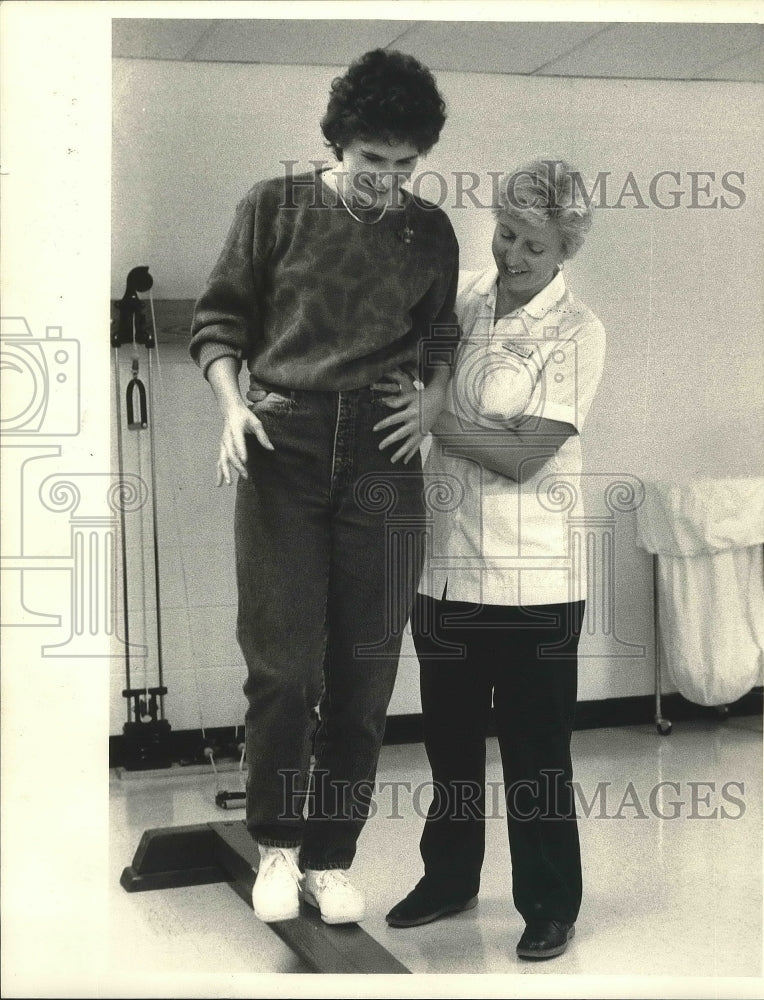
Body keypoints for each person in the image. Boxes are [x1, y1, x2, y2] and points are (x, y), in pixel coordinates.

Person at [189, 49, 459, 926]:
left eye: (403, 166)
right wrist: (231, 407)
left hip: (382, 458)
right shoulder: (273, 208)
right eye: (371, 162)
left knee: (366, 672)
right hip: (285, 444)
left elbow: (443, 338)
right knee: (284, 666)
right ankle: (275, 845)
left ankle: (331, 857)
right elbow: (219, 319)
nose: (386, 181)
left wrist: (430, 403)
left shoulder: (428, 232)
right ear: (337, 143)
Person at [379, 158, 605, 959]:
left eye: (532, 247)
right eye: (506, 233)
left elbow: (523, 454)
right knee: (448, 743)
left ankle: (549, 902)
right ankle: (448, 879)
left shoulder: (577, 331)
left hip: (535, 580)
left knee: (536, 754)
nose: (511, 255)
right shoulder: (466, 294)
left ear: (563, 252)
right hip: (444, 571)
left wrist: (432, 413)